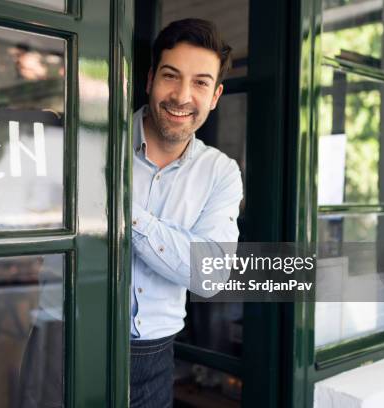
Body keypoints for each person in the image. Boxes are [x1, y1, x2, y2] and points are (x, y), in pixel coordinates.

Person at [130, 18, 243, 407]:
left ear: (215, 96)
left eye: (200, 82)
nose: (181, 96)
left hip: (154, 361)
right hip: (63, 344)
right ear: (149, 79)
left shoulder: (221, 173)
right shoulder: (91, 142)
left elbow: (209, 274)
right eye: (170, 76)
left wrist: (124, 213)